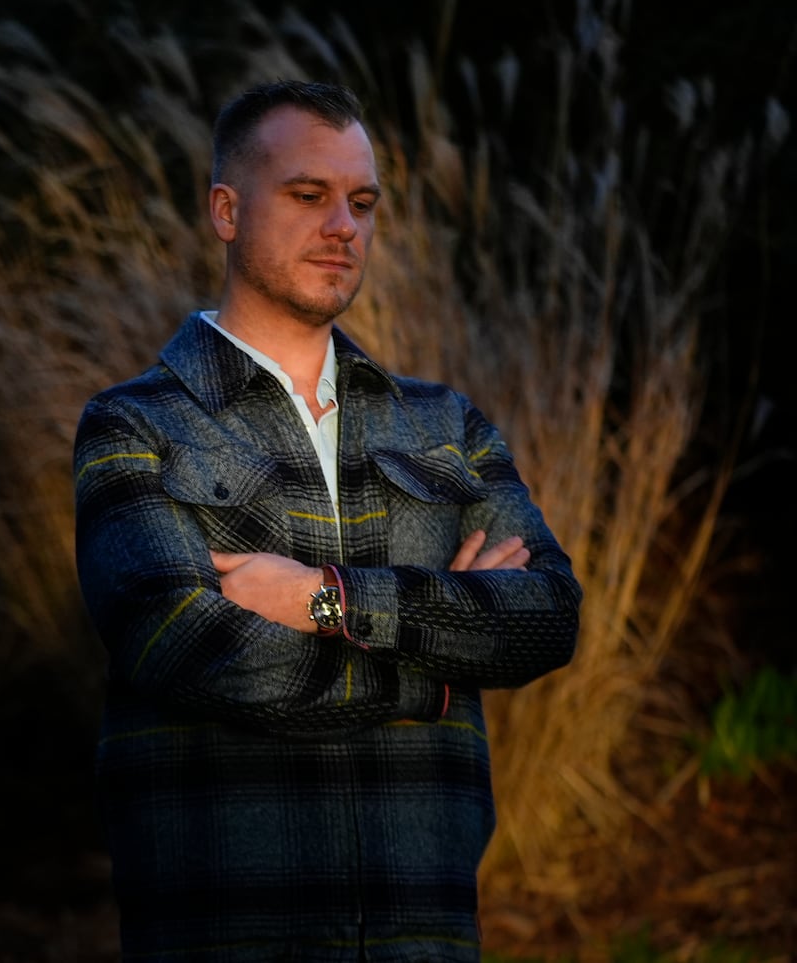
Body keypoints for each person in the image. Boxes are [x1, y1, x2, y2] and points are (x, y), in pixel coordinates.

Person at [72, 80, 582, 961]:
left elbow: (547, 614)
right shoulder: (136, 425)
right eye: (308, 195)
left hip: (425, 931)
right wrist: (433, 674)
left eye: (363, 202)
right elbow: (191, 647)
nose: (344, 226)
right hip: (226, 932)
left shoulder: (442, 423)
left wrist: (328, 598)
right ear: (226, 211)